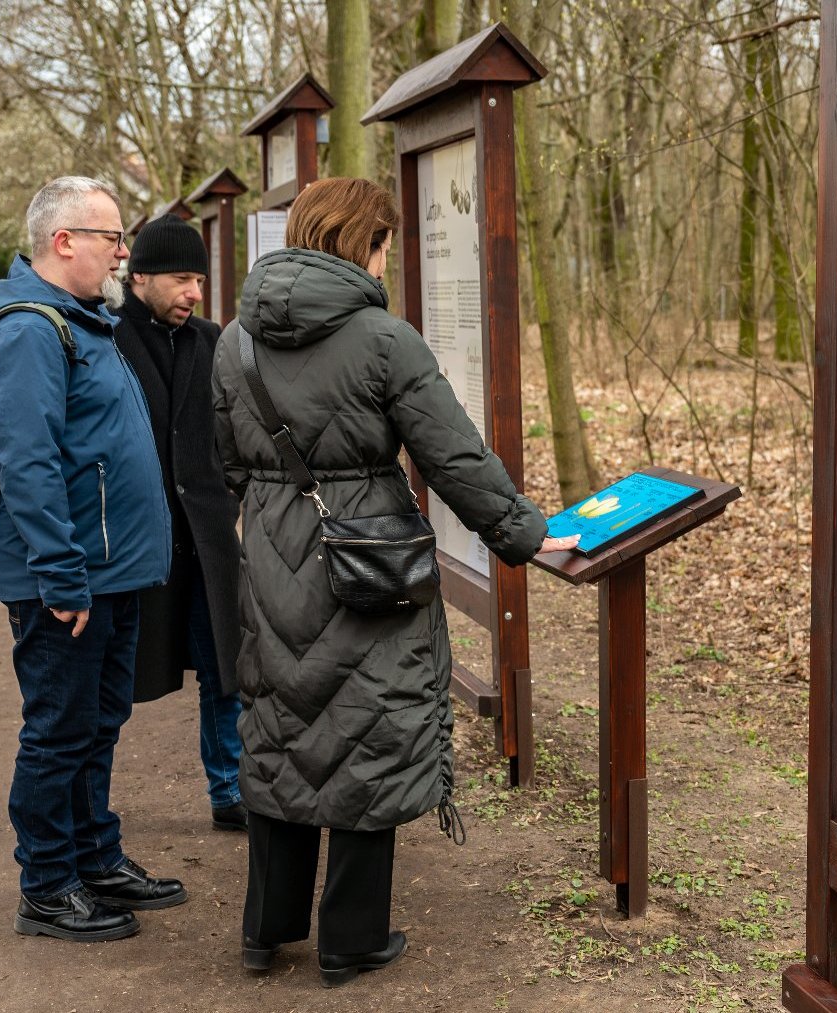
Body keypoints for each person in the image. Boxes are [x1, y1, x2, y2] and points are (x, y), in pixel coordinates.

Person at [211, 178, 578, 986]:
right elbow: (453, 457)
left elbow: (229, 463)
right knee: (365, 732)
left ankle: (263, 933)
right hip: (365, 558)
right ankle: (350, 942)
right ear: (364, 243)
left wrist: (276, 518)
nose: (387, 259)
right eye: (384, 244)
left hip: (273, 554)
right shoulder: (385, 339)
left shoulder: (234, 340)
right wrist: (522, 531)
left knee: (281, 731)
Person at [0, 175, 178, 943]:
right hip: (67, 580)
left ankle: (96, 856)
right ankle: (48, 884)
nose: (123, 251)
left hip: (109, 570)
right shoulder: (32, 329)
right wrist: (62, 573)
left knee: (97, 724)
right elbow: (27, 463)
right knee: (58, 729)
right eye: (111, 237)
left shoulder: (81, 319)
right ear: (64, 242)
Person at [110, 215, 246, 833]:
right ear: (140, 276)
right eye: (183, 279)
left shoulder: (210, 341)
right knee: (115, 680)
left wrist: (229, 502)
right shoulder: (105, 339)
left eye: (199, 279)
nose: (195, 292)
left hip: (208, 541)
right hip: (137, 547)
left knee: (226, 669)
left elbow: (234, 435)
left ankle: (231, 791)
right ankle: (92, 810)